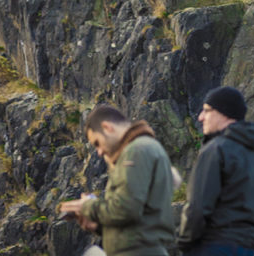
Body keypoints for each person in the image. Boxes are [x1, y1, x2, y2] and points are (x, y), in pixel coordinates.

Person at [58, 103, 174, 256]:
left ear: (107, 127)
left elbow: (127, 208)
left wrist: (87, 207)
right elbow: (133, 220)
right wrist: (97, 225)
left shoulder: (137, 150)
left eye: (97, 143)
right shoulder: (139, 150)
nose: (99, 152)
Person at [178, 85, 254, 256]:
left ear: (223, 112)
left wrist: (184, 242)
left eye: (207, 110)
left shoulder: (216, 148)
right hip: (246, 246)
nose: (200, 117)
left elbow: (198, 207)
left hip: (212, 244)